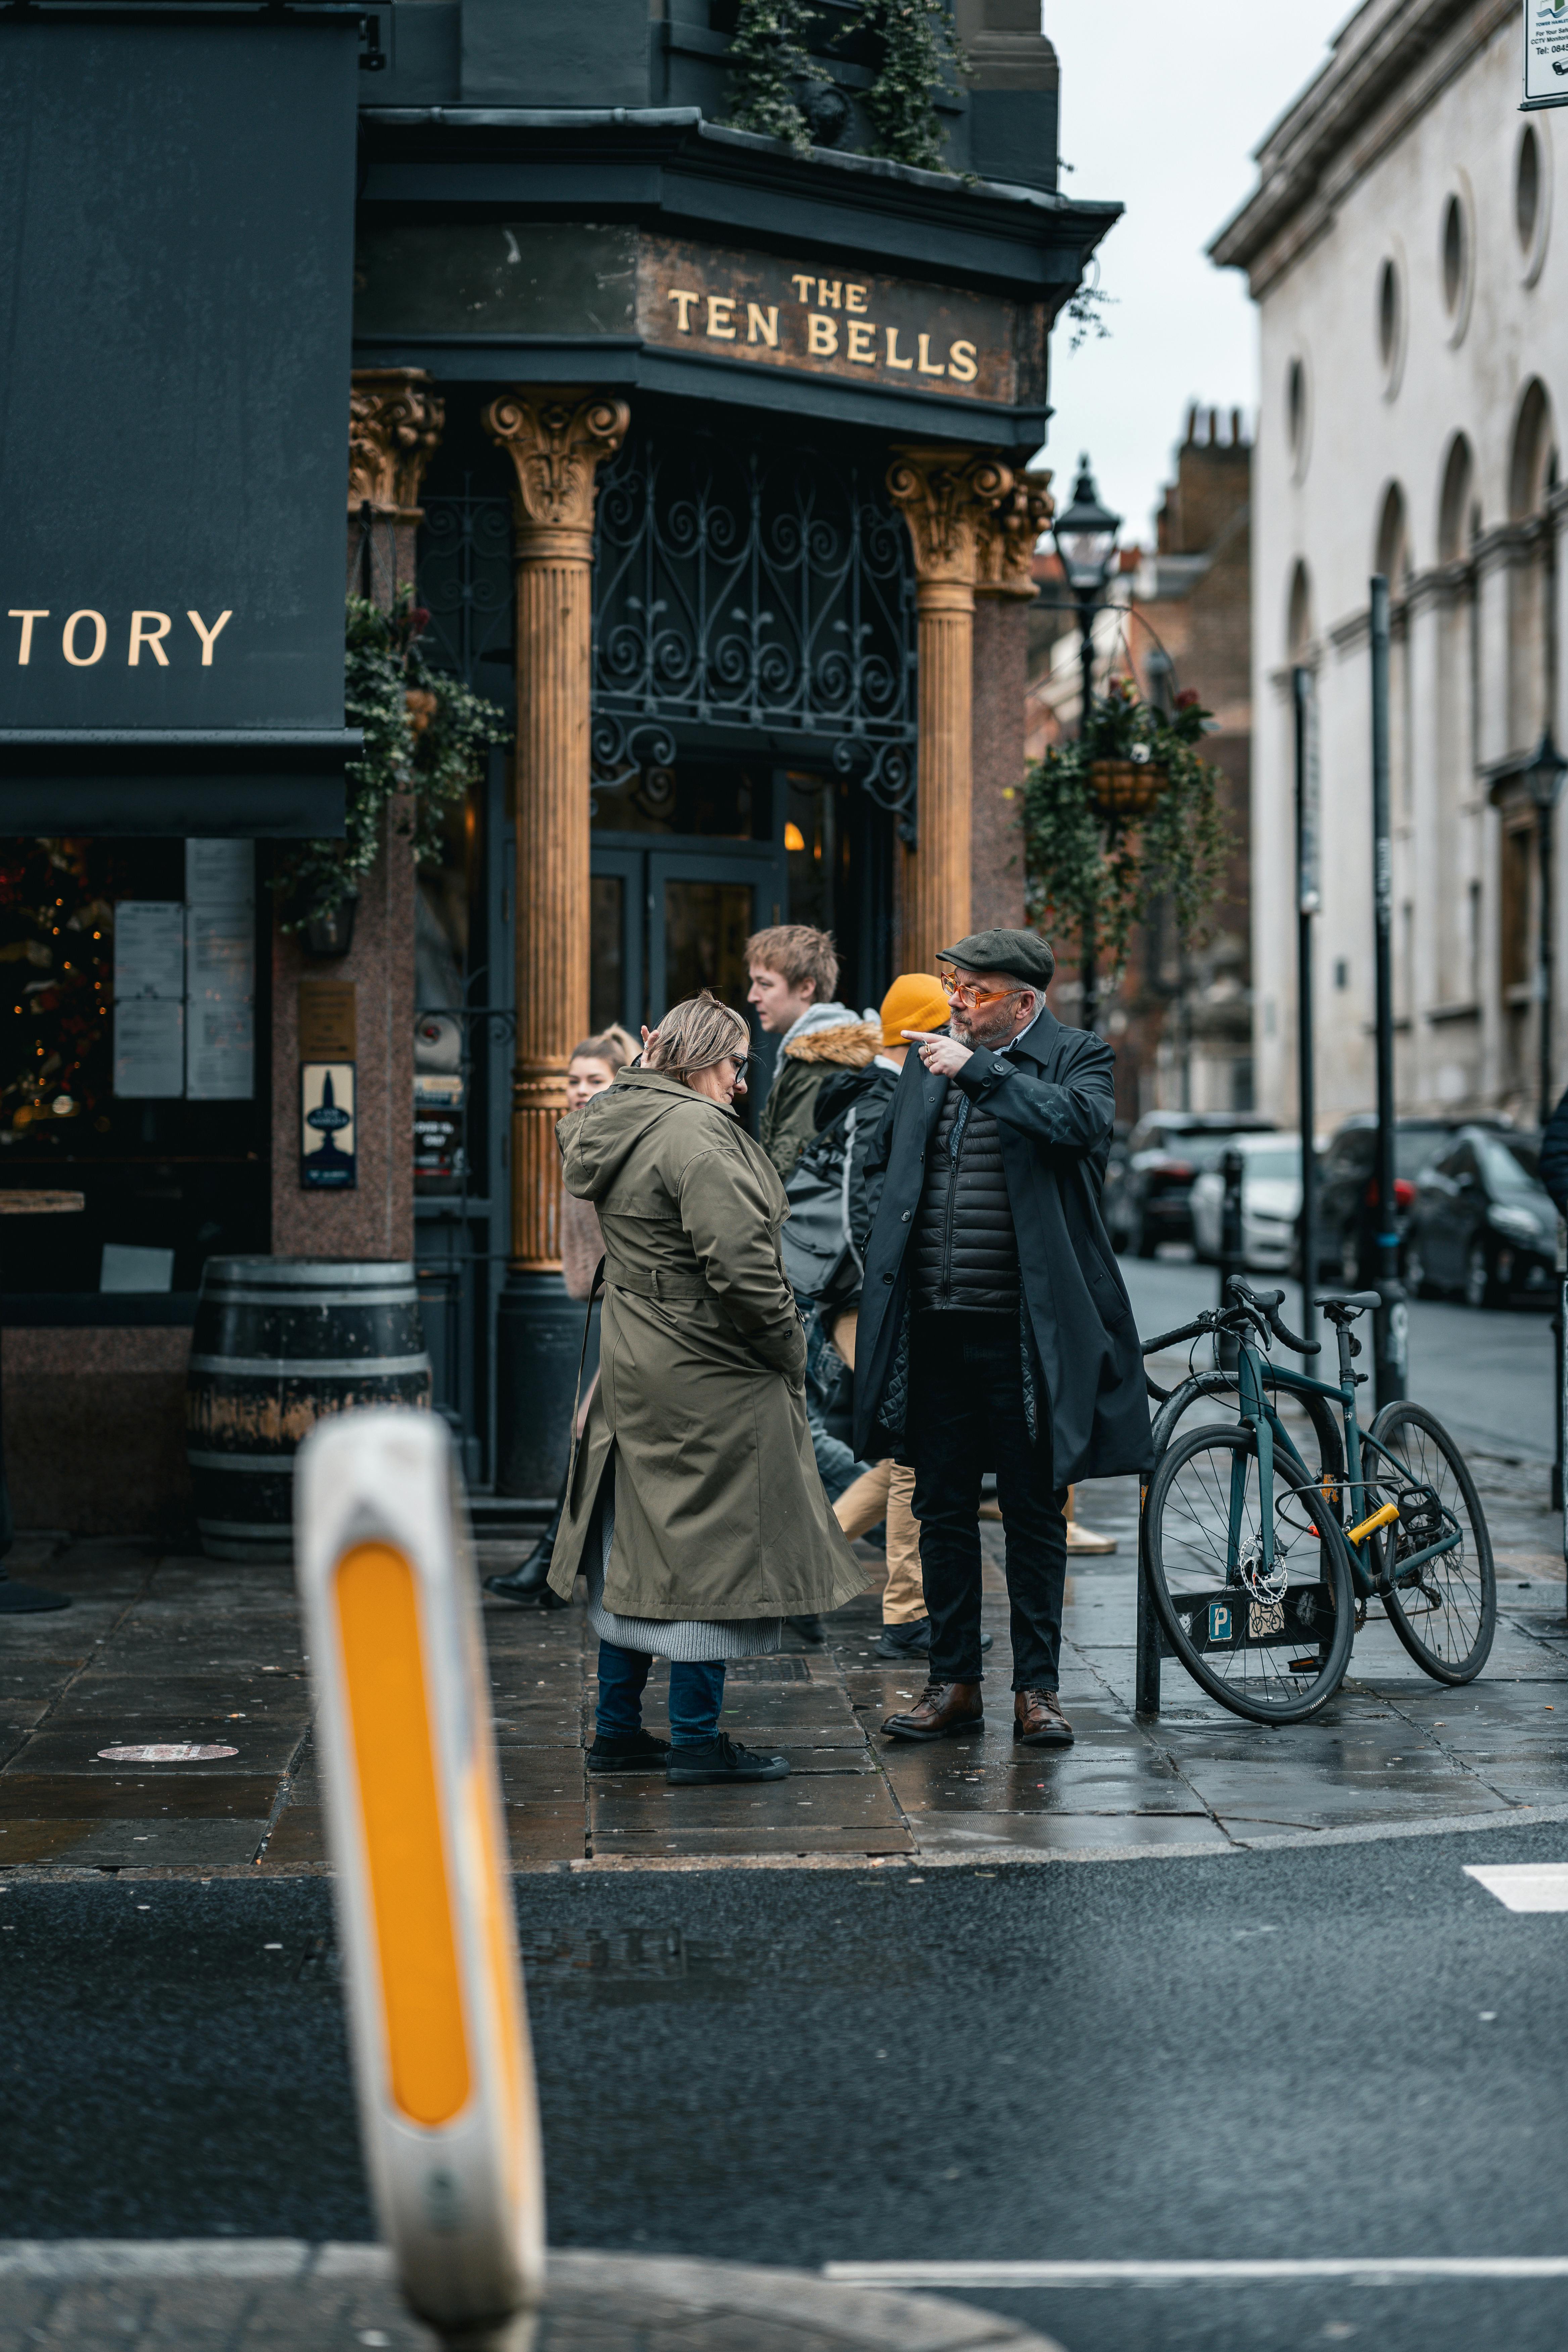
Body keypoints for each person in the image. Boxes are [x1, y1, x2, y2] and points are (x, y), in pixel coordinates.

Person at [546, 991, 869, 1783]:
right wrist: (788, 1348)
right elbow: (742, 1270)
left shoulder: (624, 1115)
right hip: (709, 1367)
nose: (738, 1080)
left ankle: (617, 1730)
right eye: (731, 1063)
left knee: (636, 1548)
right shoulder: (696, 1134)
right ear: (699, 1062)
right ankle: (695, 1739)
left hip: (640, 1356)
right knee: (708, 1550)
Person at [852, 929, 1151, 1748]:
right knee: (940, 1504)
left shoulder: (1076, 1055)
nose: (958, 1002)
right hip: (935, 1323)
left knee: (1032, 1510)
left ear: (1024, 1001)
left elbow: (1078, 1129)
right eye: (956, 986)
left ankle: (1038, 1691)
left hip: (1025, 1333)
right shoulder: (926, 1062)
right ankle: (952, 1684)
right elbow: (887, 1167)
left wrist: (980, 1071)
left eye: (976, 991)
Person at [814, 971, 984, 1666]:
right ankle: (903, 1614)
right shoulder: (880, 1096)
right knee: (915, 1450)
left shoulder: (882, 1091)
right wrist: (896, 1297)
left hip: (866, 1299)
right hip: (867, 1302)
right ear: (921, 1028)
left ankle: (814, 1581)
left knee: (905, 1450)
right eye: (947, 1021)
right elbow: (863, 1216)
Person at [484, 1026, 635, 1609]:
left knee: (589, 1430)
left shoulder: (619, 1145)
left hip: (637, 1309)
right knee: (595, 1437)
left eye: (594, 1081)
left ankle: (551, 1564)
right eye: (572, 1081)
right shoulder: (584, 1140)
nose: (578, 1091)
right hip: (614, 1307)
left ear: (621, 1084)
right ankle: (559, 1566)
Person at [747, 923, 880, 1182]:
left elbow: (791, 1169)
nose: (753, 996)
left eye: (764, 984)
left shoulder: (817, 1064)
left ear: (806, 988)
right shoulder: (814, 1054)